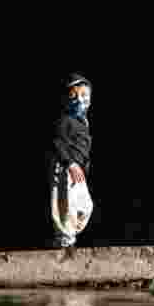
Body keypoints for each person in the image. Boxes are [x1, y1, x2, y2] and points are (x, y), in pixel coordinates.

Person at [50, 73, 94, 248]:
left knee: (85, 205)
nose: (79, 100)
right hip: (65, 167)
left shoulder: (82, 122)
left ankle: (69, 235)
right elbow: (57, 142)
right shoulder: (64, 121)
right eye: (73, 96)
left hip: (77, 170)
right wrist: (70, 163)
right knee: (65, 204)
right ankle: (64, 241)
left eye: (84, 96)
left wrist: (83, 166)